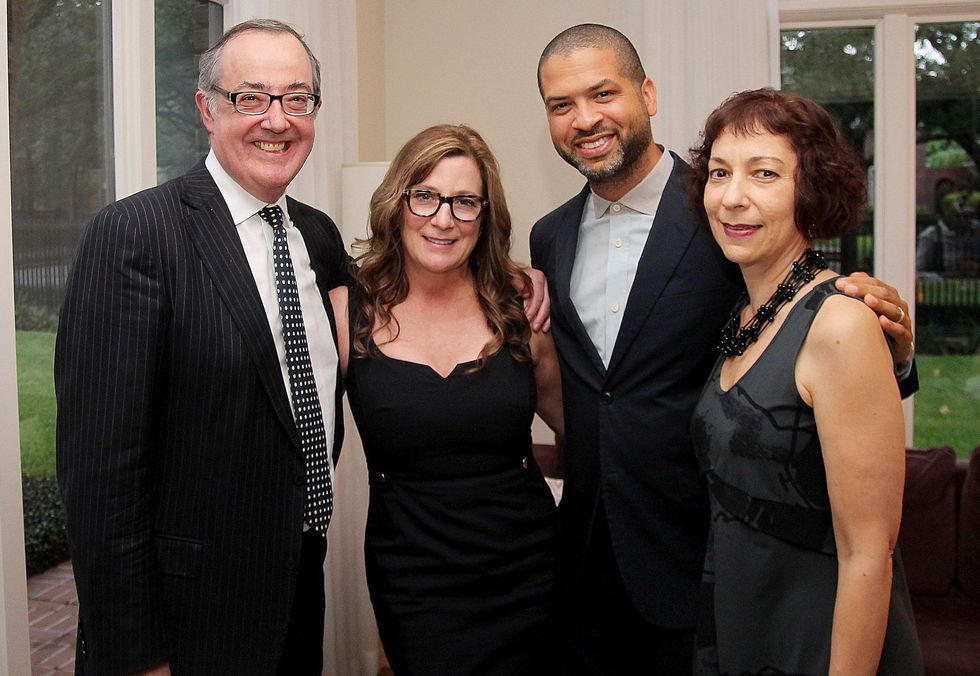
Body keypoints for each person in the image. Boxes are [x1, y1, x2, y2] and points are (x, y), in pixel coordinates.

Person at [529, 23, 917, 673]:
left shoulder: (723, 214)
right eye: (561, 104)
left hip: (706, 559)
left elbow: (803, 324)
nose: (585, 119)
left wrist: (893, 352)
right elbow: (593, 388)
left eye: (603, 93)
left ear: (647, 94)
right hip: (587, 565)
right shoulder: (549, 236)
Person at [56, 20, 349, 674]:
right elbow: (101, 481)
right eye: (251, 97)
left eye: (296, 98)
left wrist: (510, 284)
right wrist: (137, 656)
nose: (277, 119)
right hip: (186, 621)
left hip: (298, 588)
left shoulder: (318, 237)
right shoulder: (135, 235)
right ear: (207, 110)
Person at [686, 87, 922, 674]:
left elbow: (869, 553)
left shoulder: (840, 321)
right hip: (747, 620)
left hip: (820, 641)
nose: (732, 197)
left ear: (811, 189)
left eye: (764, 173)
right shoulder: (745, 315)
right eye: (720, 173)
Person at [328, 124, 564, 676]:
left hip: (530, 572)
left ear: (484, 217)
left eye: (464, 202)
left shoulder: (519, 312)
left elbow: (583, 434)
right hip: (414, 582)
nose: (443, 218)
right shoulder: (346, 313)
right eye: (426, 196)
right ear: (397, 204)